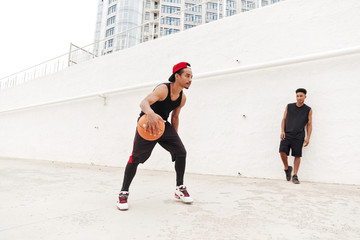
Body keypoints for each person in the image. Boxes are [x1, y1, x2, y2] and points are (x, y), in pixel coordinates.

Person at [117, 62, 194, 211]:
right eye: (187, 76)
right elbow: (144, 102)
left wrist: (174, 139)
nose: (190, 79)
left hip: (163, 125)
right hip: (147, 123)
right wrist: (150, 113)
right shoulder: (163, 89)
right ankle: (123, 192)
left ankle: (179, 188)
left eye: (191, 76)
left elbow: (175, 117)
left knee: (181, 152)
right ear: (177, 76)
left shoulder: (182, 98)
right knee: (136, 158)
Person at [279, 88, 312, 184]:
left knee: (297, 155)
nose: (299, 98)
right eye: (297, 96)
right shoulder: (289, 106)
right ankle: (287, 168)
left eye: (301, 96)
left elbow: (309, 124)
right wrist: (282, 131)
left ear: (305, 97)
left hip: (299, 135)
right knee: (282, 152)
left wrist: (308, 137)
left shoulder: (308, 110)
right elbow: (284, 119)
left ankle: (295, 175)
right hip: (287, 134)